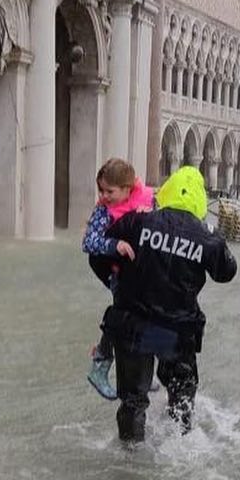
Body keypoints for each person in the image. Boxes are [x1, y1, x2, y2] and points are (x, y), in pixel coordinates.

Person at [100, 165, 237, 442]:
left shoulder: (139, 222)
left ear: (168, 191)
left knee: (133, 402)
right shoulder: (207, 236)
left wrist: (115, 283)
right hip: (176, 331)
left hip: (133, 327)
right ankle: (181, 444)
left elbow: (102, 247)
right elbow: (226, 273)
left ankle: (129, 460)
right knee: (182, 395)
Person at [81, 158, 154, 400]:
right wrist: (115, 244)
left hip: (140, 271)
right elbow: (88, 242)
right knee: (123, 314)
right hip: (115, 271)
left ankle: (144, 369)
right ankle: (100, 366)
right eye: (101, 190)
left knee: (144, 315)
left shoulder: (147, 201)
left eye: (109, 191)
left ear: (128, 188)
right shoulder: (103, 210)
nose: (103, 195)